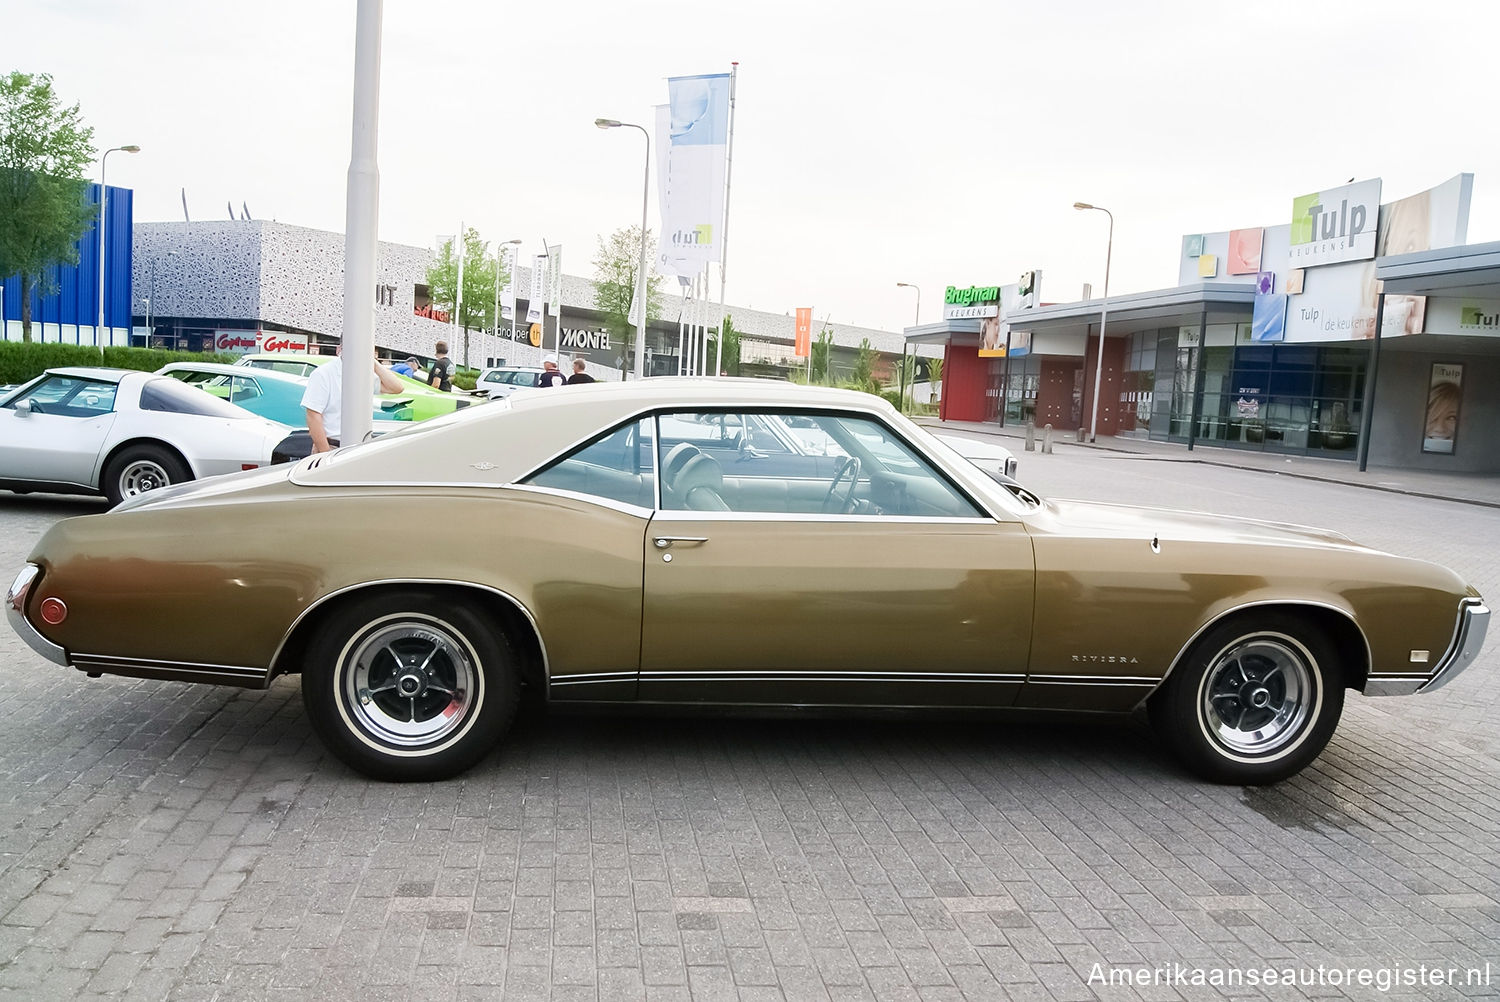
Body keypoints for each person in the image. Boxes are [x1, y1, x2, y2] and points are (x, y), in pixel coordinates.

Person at [302, 346, 403, 453]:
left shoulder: (362, 374)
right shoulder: (323, 373)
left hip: (359, 447)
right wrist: (325, 452)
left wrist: (372, 362)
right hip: (332, 446)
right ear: (339, 349)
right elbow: (313, 416)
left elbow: (397, 388)